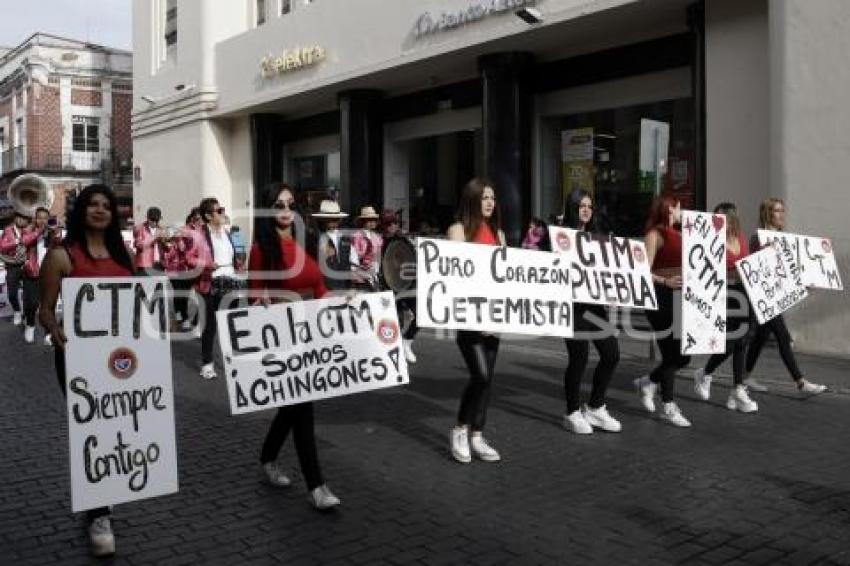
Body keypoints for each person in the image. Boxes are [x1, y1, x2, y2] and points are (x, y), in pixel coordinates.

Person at [38, 184, 135, 557]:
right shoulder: (62, 256)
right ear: (81, 211)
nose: (99, 210)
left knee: (115, 426)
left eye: (106, 205)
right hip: (78, 356)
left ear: (113, 214)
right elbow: (45, 309)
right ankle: (99, 515)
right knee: (91, 427)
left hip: (122, 357)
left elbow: (135, 303)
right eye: (92, 204)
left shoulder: (123, 254)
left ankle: (101, 495)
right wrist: (52, 327)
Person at [249, 182, 341, 510]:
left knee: (293, 408)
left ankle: (267, 458)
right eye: (278, 204)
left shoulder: (308, 240)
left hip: (311, 335)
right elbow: (254, 294)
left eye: (290, 204)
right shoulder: (262, 247)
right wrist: (261, 302)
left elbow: (319, 287)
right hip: (282, 337)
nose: (286, 210)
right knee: (303, 407)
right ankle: (316, 485)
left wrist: (344, 303)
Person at [447, 178, 505, 463]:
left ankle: (477, 435)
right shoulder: (457, 231)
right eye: (484, 198)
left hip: (494, 317)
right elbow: (455, 278)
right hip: (469, 317)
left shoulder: (500, 235)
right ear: (472, 200)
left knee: (488, 380)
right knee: (479, 375)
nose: (490, 202)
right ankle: (460, 429)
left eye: (492, 198)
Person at [743, 198, 826, 395]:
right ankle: (800, 382)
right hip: (764, 298)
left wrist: (803, 284)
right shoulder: (759, 237)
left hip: (774, 298)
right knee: (783, 338)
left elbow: (786, 272)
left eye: (782, 210)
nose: (782, 215)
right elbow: (759, 270)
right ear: (768, 214)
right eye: (777, 211)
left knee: (759, 338)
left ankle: (742, 377)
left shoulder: (782, 238)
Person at [561, 192, 622, 434]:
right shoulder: (560, 235)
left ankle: (596, 407)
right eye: (581, 205)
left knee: (612, 353)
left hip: (595, 307)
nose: (586, 210)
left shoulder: (598, 236)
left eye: (589, 206)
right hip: (572, 307)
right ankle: (572, 412)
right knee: (579, 359)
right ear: (572, 207)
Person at [692, 203, 759, 413]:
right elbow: (709, 271)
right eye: (714, 218)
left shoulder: (740, 236)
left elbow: (747, 263)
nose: (716, 221)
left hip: (744, 294)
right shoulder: (712, 241)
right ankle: (706, 372)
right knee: (730, 343)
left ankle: (737, 389)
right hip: (725, 296)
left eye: (720, 218)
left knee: (743, 342)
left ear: (731, 219)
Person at [635, 195, 692, 427]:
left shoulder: (679, 234)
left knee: (683, 356)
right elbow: (642, 271)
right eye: (679, 207)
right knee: (672, 353)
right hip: (661, 298)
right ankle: (668, 405)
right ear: (670, 209)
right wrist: (665, 281)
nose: (682, 211)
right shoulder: (654, 235)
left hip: (680, 298)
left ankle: (649, 382)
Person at [186, 198, 244, 380]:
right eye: (219, 211)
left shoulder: (228, 233)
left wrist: (239, 262)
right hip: (210, 283)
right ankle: (207, 364)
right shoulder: (199, 235)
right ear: (208, 216)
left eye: (222, 210)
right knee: (210, 326)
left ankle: (230, 360)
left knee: (230, 324)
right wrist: (207, 265)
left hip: (231, 282)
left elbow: (235, 256)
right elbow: (189, 259)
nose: (222, 213)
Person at [380, 208, 418, 364]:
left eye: (394, 222)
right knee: (394, 321)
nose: (392, 226)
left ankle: (407, 341)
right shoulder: (379, 241)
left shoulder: (404, 239)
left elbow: (413, 257)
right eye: (388, 223)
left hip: (408, 283)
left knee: (421, 315)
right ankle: (391, 355)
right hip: (389, 285)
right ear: (383, 225)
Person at [20, 207, 51, 343]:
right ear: (35, 218)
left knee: (47, 305)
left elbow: (60, 243)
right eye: (40, 217)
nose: (42, 220)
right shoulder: (29, 230)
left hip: (49, 274)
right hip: (31, 272)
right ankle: (30, 325)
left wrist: (54, 232)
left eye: (45, 217)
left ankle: (48, 333)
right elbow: (25, 241)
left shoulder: (52, 230)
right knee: (32, 303)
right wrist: (38, 231)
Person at [311, 200, 357, 292]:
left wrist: (353, 271)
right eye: (330, 219)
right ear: (322, 220)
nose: (333, 222)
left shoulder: (344, 237)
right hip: (326, 287)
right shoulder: (315, 238)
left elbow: (352, 255)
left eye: (336, 219)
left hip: (345, 285)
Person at [0, 211, 31, 326]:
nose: (22, 220)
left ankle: (28, 315)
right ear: (15, 218)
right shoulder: (7, 230)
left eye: (24, 218)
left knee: (29, 295)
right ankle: (17, 311)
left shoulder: (28, 230)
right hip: (12, 266)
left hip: (27, 265)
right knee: (12, 294)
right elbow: (2, 246)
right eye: (20, 217)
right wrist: (16, 241)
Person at [351, 205, 383, 289]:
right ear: (363, 222)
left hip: (374, 272)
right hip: (361, 271)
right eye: (369, 220)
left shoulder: (377, 237)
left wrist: (375, 269)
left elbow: (378, 255)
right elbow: (354, 257)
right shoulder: (357, 236)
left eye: (374, 220)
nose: (372, 222)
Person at [132, 206, 164, 274]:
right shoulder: (139, 228)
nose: (155, 223)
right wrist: (154, 237)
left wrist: (167, 243)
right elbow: (139, 245)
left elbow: (165, 247)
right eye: (152, 220)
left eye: (157, 220)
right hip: (145, 265)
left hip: (159, 265)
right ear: (147, 217)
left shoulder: (161, 229)